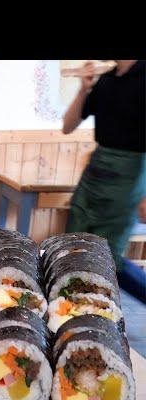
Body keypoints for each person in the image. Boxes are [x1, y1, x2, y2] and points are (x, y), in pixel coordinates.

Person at [62, 60, 146, 303]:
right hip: (96, 171)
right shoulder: (107, 79)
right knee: (74, 248)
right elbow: (68, 126)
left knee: (109, 260)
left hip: (131, 175)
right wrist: (84, 89)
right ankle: (69, 310)